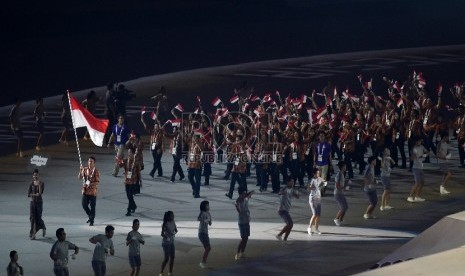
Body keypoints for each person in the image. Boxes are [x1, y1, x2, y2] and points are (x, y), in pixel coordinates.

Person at [78, 156, 100, 226]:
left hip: (93, 192)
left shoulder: (96, 171)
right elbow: (79, 178)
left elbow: (97, 182)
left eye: (91, 161)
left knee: (92, 206)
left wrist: (90, 184)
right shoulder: (85, 169)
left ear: (94, 163)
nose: (90, 163)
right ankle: (90, 216)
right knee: (84, 205)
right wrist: (80, 171)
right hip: (85, 191)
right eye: (89, 161)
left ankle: (92, 221)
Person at [407, 137, 429, 202]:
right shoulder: (414, 148)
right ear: (416, 142)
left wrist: (425, 155)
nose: (420, 142)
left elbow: (427, 152)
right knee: (417, 183)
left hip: (421, 167)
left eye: (420, 141)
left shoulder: (422, 147)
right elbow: (411, 158)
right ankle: (410, 196)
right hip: (415, 167)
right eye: (419, 141)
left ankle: (417, 196)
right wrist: (413, 156)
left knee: (422, 182)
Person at [235, 187, 253, 260]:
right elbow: (239, 211)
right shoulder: (238, 201)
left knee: (246, 238)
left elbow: (248, 195)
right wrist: (237, 207)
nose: (245, 194)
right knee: (243, 238)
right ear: (241, 193)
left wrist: (251, 192)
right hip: (242, 222)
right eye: (244, 193)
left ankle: (242, 253)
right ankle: (237, 253)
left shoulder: (245, 198)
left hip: (247, 221)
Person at [122, 148, 141, 216]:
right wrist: (119, 162)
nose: (129, 154)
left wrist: (140, 182)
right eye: (128, 152)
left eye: (130, 152)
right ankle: (134, 206)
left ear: (133, 154)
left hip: (133, 181)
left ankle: (129, 210)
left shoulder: (136, 162)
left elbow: (138, 173)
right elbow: (121, 165)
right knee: (128, 196)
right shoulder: (126, 160)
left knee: (130, 195)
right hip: (127, 180)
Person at [28, 168, 46, 239]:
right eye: (34, 175)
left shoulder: (41, 183)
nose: (35, 176)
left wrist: (34, 194)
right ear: (33, 176)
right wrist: (35, 194)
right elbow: (28, 194)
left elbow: (40, 193)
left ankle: (43, 227)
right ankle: (33, 233)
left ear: (39, 175)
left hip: (39, 203)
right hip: (32, 203)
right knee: (32, 218)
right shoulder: (31, 184)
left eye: (36, 175)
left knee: (38, 217)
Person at [307, 168, 325, 235]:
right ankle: (309, 228)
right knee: (315, 214)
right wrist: (312, 187)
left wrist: (322, 185)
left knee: (318, 215)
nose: (318, 174)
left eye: (319, 173)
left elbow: (325, 182)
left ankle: (316, 229)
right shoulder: (312, 180)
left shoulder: (320, 178)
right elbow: (308, 188)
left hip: (318, 198)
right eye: (317, 173)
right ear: (314, 174)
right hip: (312, 198)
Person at [160, 211, 177, 276]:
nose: (173, 216)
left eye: (173, 215)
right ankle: (161, 272)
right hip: (166, 243)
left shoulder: (173, 222)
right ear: (168, 217)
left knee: (172, 257)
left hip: (171, 242)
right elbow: (162, 234)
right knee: (166, 258)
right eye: (171, 215)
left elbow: (176, 230)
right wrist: (166, 237)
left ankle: (170, 272)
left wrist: (174, 233)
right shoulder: (165, 224)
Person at [333, 161, 348, 226]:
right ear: (342, 167)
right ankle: (336, 219)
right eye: (345, 166)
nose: (346, 167)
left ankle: (340, 220)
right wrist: (344, 188)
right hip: (338, 194)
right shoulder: (338, 175)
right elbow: (337, 185)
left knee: (345, 207)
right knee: (343, 207)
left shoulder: (342, 174)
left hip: (341, 193)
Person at [198, 200, 212, 269]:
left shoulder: (209, 213)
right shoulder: (202, 213)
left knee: (207, 248)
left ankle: (203, 262)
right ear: (204, 206)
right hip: (201, 232)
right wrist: (204, 220)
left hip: (206, 233)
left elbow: (210, 224)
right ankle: (202, 262)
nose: (208, 206)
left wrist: (209, 221)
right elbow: (198, 218)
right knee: (208, 248)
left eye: (208, 205)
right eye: (207, 205)